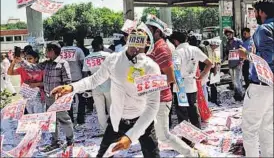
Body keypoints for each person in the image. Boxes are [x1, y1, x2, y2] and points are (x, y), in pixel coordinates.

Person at [51, 29, 161, 158]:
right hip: (118, 120)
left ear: (146, 43)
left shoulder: (152, 67)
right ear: (127, 39)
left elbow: (153, 106)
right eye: (133, 37)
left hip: (143, 121)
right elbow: (94, 79)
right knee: (103, 154)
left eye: (140, 39)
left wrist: (131, 136)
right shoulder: (113, 59)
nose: (135, 43)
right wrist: (71, 87)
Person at [145, 16, 199, 157]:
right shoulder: (154, 47)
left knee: (164, 135)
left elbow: (170, 78)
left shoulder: (161, 48)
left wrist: (147, 85)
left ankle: (190, 153)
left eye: (149, 29)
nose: (146, 32)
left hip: (161, 97)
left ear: (157, 32)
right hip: (155, 96)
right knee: (150, 133)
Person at [14, 42, 74, 152]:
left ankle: (70, 141)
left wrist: (63, 96)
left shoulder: (62, 63)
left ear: (52, 51)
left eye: (47, 50)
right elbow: (33, 67)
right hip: (48, 97)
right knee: (52, 120)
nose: (45, 52)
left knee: (64, 119)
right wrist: (21, 61)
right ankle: (55, 141)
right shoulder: (46, 63)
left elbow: (67, 82)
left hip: (58, 97)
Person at [239, 0, 273, 158]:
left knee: (250, 129)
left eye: (256, 12)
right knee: (267, 128)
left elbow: (268, 58)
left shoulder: (263, 29)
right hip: (271, 88)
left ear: (261, 12)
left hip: (260, 85)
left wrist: (247, 55)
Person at [169, 31, 212, 129]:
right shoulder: (195, 49)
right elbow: (209, 63)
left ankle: (187, 138)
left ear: (176, 41)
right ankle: (197, 133)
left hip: (180, 86)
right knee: (193, 111)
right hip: (192, 84)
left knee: (182, 114)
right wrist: (202, 75)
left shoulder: (176, 52)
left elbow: (176, 70)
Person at [82, 39, 111, 133]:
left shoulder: (87, 58)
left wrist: (87, 88)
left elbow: (85, 74)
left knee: (100, 109)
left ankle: (104, 129)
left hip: (95, 85)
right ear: (101, 45)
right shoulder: (107, 55)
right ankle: (114, 129)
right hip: (108, 83)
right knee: (111, 107)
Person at [62, 34, 86, 129]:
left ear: (63, 41)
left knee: (68, 101)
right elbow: (84, 64)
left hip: (65, 79)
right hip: (78, 78)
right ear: (73, 41)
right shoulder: (78, 50)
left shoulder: (60, 51)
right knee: (81, 100)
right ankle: (80, 120)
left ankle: (70, 120)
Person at [222, 28, 244, 101]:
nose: (228, 36)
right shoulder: (227, 43)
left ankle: (241, 95)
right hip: (231, 64)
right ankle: (236, 94)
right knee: (234, 81)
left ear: (232, 34)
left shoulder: (238, 41)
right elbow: (227, 54)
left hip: (238, 63)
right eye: (227, 35)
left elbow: (243, 52)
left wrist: (241, 61)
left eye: (229, 34)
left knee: (237, 80)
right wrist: (221, 61)